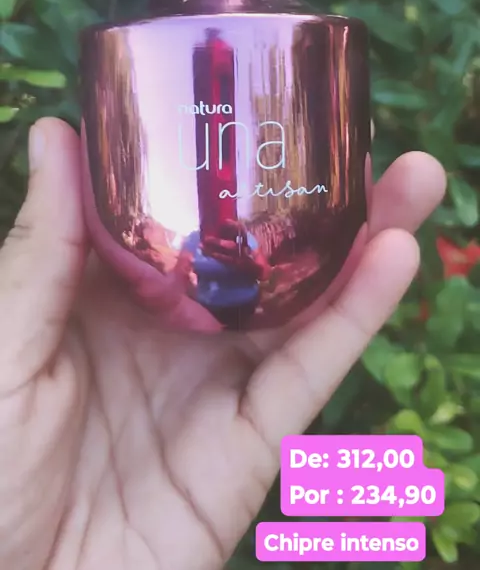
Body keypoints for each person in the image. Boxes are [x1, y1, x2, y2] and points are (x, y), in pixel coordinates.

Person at [0, 118, 446, 569]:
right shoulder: (194, 239)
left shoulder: (246, 241)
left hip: (241, 312)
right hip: (177, 324)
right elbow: (181, 268)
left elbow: (259, 271)